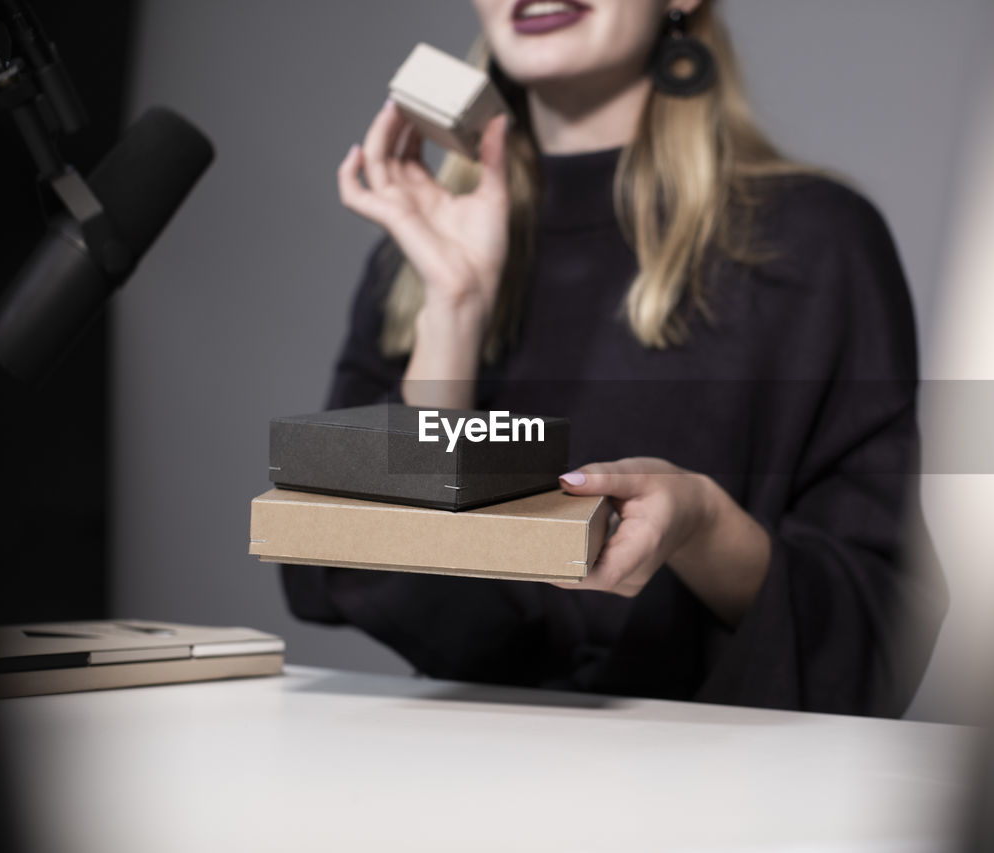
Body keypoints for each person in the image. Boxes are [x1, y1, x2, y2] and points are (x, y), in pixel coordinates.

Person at [282, 0, 946, 715]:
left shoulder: (818, 239)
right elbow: (325, 559)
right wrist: (455, 312)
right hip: (461, 776)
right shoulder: (422, 250)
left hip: (719, 794)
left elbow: (880, 621)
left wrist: (703, 525)